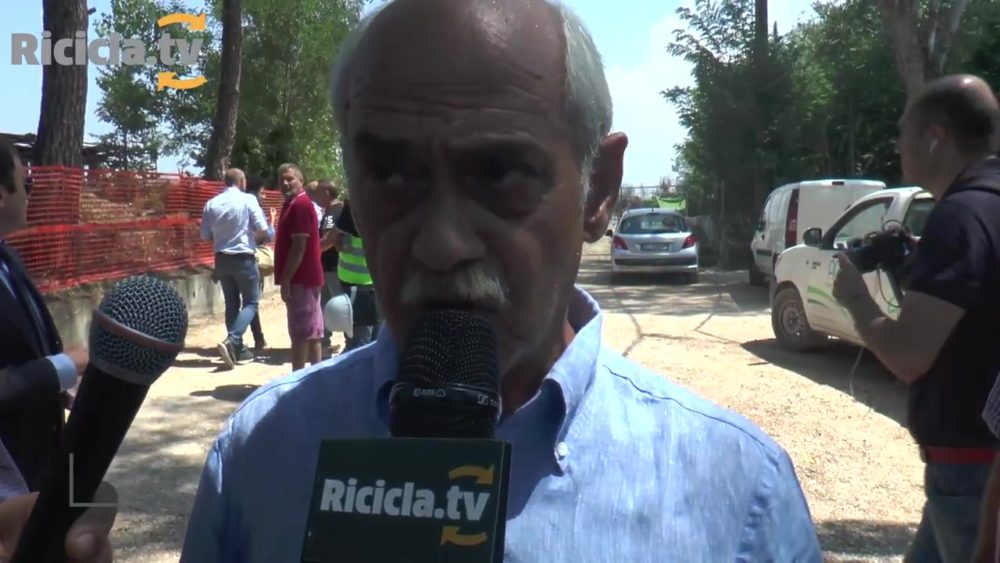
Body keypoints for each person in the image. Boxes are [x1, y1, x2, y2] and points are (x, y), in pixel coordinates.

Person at [180, 1, 821, 560]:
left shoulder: (738, 497)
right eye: (392, 177)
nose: (441, 243)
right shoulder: (262, 455)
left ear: (598, 189)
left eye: (500, 176)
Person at [832, 75, 1000, 563]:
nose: (897, 145)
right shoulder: (988, 205)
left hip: (972, 471)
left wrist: (856, 298)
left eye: (902, 131)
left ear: (935, 137)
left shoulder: (960, 215)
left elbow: (908, 356)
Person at [0, 140, 87, 491]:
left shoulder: (8, 257)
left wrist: (56, 386)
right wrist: (62, 367)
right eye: (27, 184)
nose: (29, 195)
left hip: (40, 461)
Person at [200, 168, 272, 369]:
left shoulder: (211, 203)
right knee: (251, 303)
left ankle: (237, 350)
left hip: (221, 259)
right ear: (242, 182)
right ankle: (232, 340)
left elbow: (204, 235)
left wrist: (222, 238)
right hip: (244, 258)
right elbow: (263, 229)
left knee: (231, 303)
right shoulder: (248, 200)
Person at [273, 163, 324, 370]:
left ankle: (299, 377)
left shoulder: (301, 205)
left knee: (301, 332)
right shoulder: (292, 204)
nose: (285, 183)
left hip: (301, 278)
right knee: (311, 330)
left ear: (301, 181)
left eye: (290, 179)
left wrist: (286, 280)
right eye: (281, 180)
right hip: (303, 277)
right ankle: (315, 376)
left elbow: (299, 246)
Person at [333, 193, 379, 351]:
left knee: (361, 343)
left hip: (359, 287)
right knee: (372, 341)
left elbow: (333, 239)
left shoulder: (355, 207)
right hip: (365, 285)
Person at [245, 176, 276, 354]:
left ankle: (237, 341)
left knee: (236, 303)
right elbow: (267, 235)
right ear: (256, 192)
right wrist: (272, 221)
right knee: (252, 302)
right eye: (262, 193)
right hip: (252, 258)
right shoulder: (254, 207)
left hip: (229, 258)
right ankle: (257, 339)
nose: (264, 197)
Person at [314, 180, 345, 353]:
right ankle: (324, 342)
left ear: (327, 193)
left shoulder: (332, 213)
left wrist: (310, 251)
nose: (315, 196)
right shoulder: (338, 209)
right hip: (332, 266)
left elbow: (327, 240)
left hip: (332, 267)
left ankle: (350, 341)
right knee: (326, 305)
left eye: (318, 192)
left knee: (337, 305)